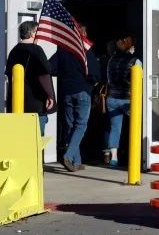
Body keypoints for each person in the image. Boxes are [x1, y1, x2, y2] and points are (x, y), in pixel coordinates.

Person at [50, 24, 101, 172]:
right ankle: (68, 155)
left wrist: (64, 74)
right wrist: (90, 82)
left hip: (66, 91)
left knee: (71, 126)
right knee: (80, 126)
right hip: (83, 91)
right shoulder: (85, 49)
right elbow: (96, 74)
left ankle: (76, 161)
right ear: (83, 33)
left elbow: (50, 67)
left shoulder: (63, 49)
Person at [5, 21, 56, 136]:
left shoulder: (14, 51)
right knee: (37, 140)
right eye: (37, 32)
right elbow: (45, 73)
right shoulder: (36, 50)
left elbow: (9, 75)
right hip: (36, 103)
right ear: (32, 33)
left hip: (17, 105)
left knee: (22, 139)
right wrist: (50, 95)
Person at [103, 33, 141, 167]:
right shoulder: (135, 61)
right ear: (130, 47)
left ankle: (114, 158)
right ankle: (136, 155)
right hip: (127, 99)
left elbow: (108, 78)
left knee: (115, 128)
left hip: (112, 98)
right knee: (137, 126)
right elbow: (139, 80)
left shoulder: (111, 60)